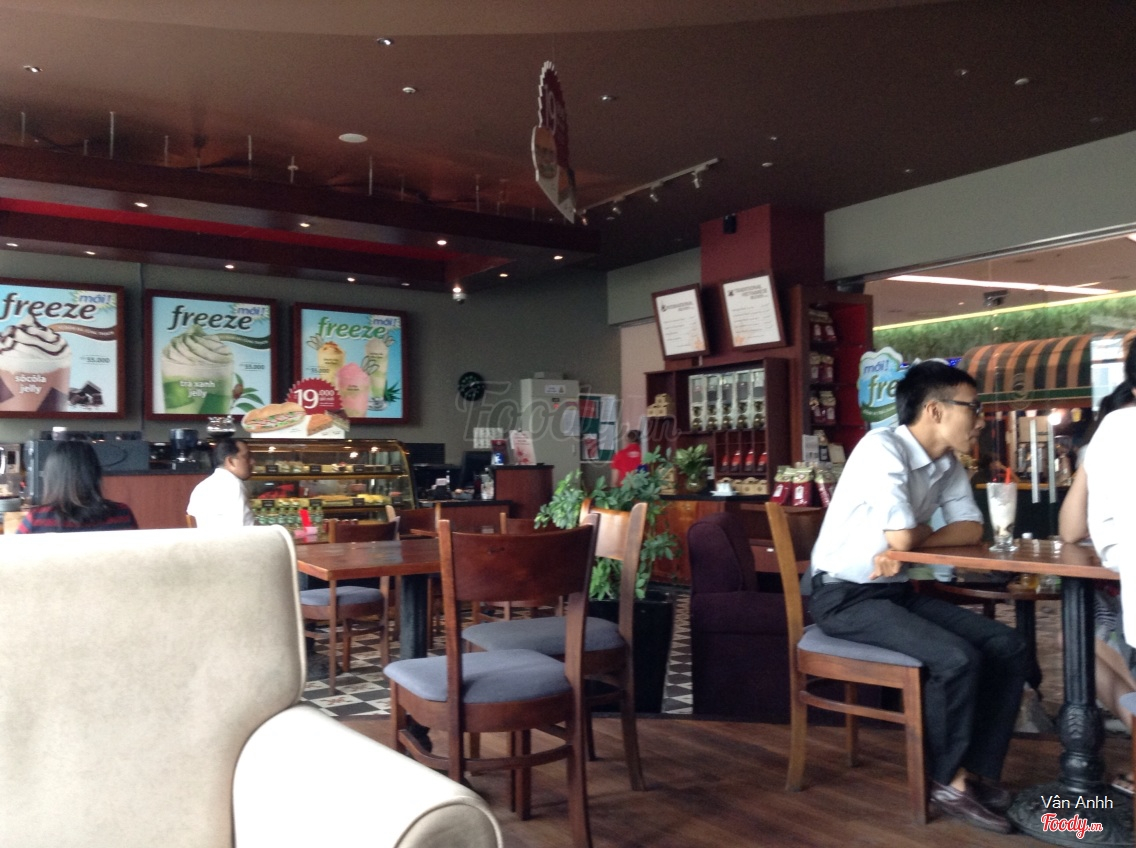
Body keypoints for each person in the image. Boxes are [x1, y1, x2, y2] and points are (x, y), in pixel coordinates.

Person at [809, 360, 1027, 835]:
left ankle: (976, 772)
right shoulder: (881, 448)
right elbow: (903, 537)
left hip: (894, 592)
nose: (981, 419)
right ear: (935, 410)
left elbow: (969, 529)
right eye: (974, 407)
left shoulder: (947, 463)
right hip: (842, 598)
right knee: (957, 658)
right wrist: (909, 541)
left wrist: (908, 545)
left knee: (1008, 645)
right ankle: (948, 781)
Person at [17, 441, 138, 533]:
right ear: (95, 474)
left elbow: (13, 556)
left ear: (50, 477)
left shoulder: (36, 519)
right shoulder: (123, 514)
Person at [186, 438, 255, 530]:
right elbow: (246, 531)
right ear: (230, 461)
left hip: (206, 539)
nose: (253, 462)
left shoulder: (201, 486)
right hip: (230, 539)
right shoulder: (234, 486)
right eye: (247, 457)